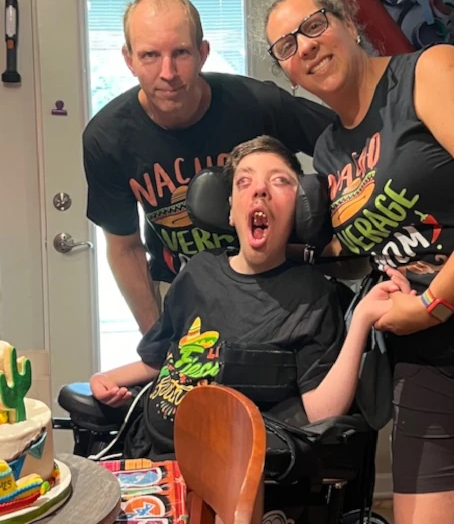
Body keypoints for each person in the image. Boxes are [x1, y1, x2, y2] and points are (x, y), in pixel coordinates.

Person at [264, 0, 454, 524]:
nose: (306, 46)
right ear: (288, 72)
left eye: (315, 25)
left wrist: (433, 301)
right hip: (423, 356)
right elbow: (365, 241)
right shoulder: (328, 150)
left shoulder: (431, 73)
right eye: (286, 46)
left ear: (349, 23)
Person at [89, 135, 410, 460]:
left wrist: (362, 321)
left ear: (299, 209)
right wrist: (106, 378)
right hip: (149, 443)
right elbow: (159, 357)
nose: (260, 189)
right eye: (244, 181)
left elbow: (321, 412)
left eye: (280, 181)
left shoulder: (312, 297)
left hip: (223, 467)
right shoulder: (198, 272)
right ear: (230, 211)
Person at [83, 0, 336, 334]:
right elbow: (124, 248)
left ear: (203, 53)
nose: (168, 72)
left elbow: (347, 145)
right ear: (129, 59)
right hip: (186, 291)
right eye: (150, 55)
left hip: (281, 289)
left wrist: (336, 240)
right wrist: (157, 338)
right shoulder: (107, 138)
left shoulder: (257, 104)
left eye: (181, 53)